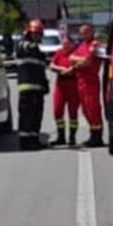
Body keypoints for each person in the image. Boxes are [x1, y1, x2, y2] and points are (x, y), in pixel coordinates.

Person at [16, 19, 49, 150]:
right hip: (27, 88)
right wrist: (32, 43)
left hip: (38, 88)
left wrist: (45, 84)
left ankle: (34, 139)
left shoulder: (38, 52)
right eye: (34, 33)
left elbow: (41, 71)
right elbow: (25, 46)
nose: (36, 36)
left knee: (37, 115)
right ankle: (25, 142)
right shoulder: (23, 45)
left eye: (38, 34)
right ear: (28, 33)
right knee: (27, 115)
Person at [71, 23, 104, 148]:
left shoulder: (95, 44)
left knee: (93, 109)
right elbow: (71, 57)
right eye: (82, 33)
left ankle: (97, 136)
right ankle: (92, 134)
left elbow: (88, 61)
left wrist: (78, 61)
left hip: (91, 81)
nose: (84, 35)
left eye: (86, 32)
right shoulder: (82, 45)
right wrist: (79, 61)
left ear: (92, 31)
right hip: (81, 80)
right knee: (85, 109)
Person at [49, 34, 80, 147]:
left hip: (73, 85)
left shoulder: (76, 53)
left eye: (67, 44)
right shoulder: (59, 52)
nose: (65, 46)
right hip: (60, 85)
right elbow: (51, 65)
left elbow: (78, 66)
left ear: (72, 44)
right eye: (63, 43)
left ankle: (72, 137)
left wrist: (69, 70)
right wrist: (61, 68)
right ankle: (61, 136)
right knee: (57, 111)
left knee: (73, 112)